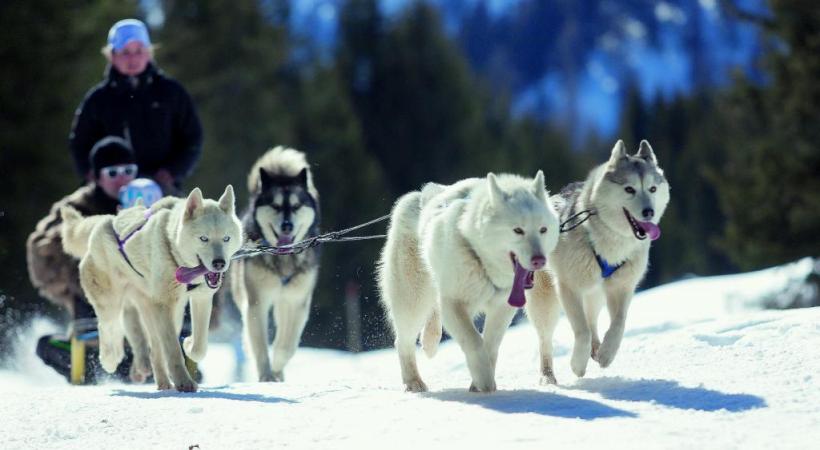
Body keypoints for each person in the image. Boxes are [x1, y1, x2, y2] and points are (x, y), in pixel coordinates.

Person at [27, 136, 139, 383]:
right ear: (96, 177)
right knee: (46, 345)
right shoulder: (76, 207)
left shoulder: (154, 197)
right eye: (112, 172)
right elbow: (41, 251)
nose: (123, 178)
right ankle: (89, 368)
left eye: (129, 170)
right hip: (92, 316)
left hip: (143, 321)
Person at [69, 18, 203, 195]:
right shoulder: (98, 99)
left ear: (149, 53)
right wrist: (92, 175)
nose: (133, 59)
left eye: (139, 51)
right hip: (110, 191)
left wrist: (171, 172)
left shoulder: (171, 92)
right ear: (112, 55)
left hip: (161, 188)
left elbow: (192, 138)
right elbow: (79, 142)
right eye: (125, 52)